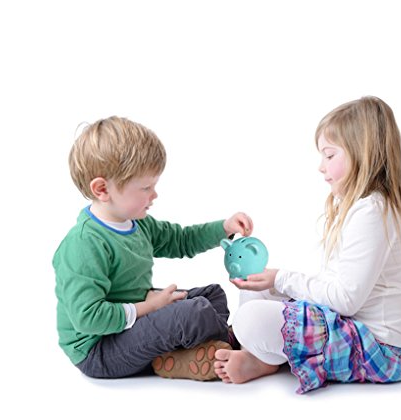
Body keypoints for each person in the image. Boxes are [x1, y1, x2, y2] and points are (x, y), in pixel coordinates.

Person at [214, 96, 401, 394]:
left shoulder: (372, 213)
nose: (321, 167)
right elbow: (336, 292)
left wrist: (282, 278)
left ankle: (261, 357)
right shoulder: (361, 209)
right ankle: (259, 355)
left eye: (329, 155)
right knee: (257, 290)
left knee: (251, 318)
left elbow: (345, 300)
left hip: (376, 348)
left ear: (361, 154)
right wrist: (274, 284)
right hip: (348, 328)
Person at [52, 116, 252, 380]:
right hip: (99, 349)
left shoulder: (137, 223)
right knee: (193, 313)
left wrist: (224, 228)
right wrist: (149, 307)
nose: (154, 195)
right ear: (102, 189)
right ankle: (239, 345)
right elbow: (89, 318)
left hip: (133, 320)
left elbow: (182, 240)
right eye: (146, 187)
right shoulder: (84, 244)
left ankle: (185, 356)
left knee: (212, 295)